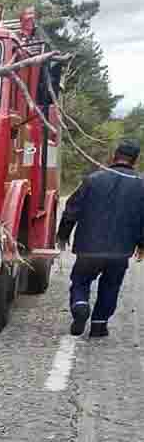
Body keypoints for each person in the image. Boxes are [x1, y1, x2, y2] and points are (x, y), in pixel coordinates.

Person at [57, 138, 144, 338]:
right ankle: (99, 325)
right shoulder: (141, 185)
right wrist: (142, 244)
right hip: (120, 250)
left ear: (114, 156)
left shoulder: (92, 179)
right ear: (135, 160)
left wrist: (63, 235)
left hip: (89, 247)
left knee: (80, 281)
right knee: (111, 286)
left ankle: (80, 306)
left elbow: (71, 210)